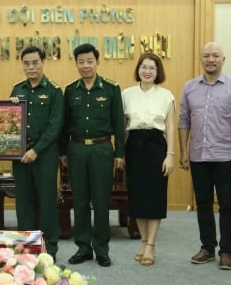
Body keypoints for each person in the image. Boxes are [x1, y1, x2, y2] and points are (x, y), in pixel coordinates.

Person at [178, 42, 231, 270]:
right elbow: (183, 121)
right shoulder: (189, 87)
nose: (211, 59)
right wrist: (183, 151)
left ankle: (226, 251)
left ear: (223, 59)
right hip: (198, 155)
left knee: (227, 204)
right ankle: (207, 247)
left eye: (215, 56)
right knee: (203, 203)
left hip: (225, 157)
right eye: (206, 56)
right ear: (201, 59)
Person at [60, 43, 125, 268]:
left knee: (100, 201)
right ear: (76, 63)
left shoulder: (110, 89)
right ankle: (83, 248)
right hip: (76, 149)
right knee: (79, 201)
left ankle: (102, 249)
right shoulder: (70, 90)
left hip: (102, 150)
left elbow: (119, 125)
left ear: (97, 62)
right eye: (81, 61)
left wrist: (119, 154)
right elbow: (64, 125)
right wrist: (62, 153)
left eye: (89, 61)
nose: (85, 65)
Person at [9, 46, 63, 260]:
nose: (31, 67)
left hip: (45, 155)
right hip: (20, 155)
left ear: (43, 62)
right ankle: (25, 247)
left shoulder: (54, 90)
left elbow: (55, 126)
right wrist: (10, 106)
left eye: (35, 62)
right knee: (23, 202)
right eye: (26, 63)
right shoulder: (17, 89)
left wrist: (36, 150)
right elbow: (9, 123)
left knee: (47, 201)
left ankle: (49, 247)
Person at [122, 53, 175, 266]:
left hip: (156, 146)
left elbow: (170, 127)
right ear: (138, 69)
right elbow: (123, 127)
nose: (147, 71)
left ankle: (151, 245)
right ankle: (143, 242)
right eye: (144, 67)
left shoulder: (166, 95)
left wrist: (170, 155)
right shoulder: (127, 94)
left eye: (152, 68)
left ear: (157, 72)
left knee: (154, 196)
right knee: (137, 197)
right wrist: (121, 155)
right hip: (133, 146)